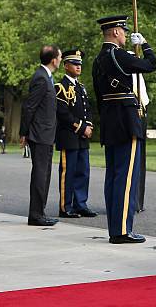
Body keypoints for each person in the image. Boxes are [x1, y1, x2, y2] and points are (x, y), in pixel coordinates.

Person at [92, 15, 156, 244]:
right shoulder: (118, 55)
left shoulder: (98, 59)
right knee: (126, 177)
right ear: (116, 32)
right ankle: (121, 230)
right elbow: (151, 65)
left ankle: (115, 227)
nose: (124, 34)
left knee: (113, 176)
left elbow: (99, 97)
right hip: (127, 121)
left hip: (110, 121)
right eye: (123, 30)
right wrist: (145, 45)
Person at [20, 45, 62, 227]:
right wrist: (24, 132)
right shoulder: (41, 78)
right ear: (54, 59)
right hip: (40, 134)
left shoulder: (47, 78)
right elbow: (30, 107)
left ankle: (39, 213)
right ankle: (36, 214)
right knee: (40, 174)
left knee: (44, 174)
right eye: (60, 57)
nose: (61, 59)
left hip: (46, 134)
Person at [55, 49, 98, 218]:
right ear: (66, 66)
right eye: (74, 63)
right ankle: (65, 207)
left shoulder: (81, 87)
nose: (78, 66)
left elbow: (88, 110)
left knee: (83, 171)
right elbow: (63, 113)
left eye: (80, 64)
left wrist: (89, 127)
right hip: (69, 136)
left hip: (82, 137)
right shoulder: (61, 87)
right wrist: (82, 128)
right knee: (68, 172)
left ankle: (81, 204)